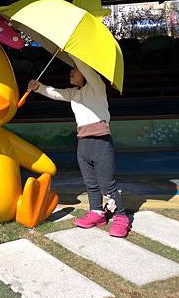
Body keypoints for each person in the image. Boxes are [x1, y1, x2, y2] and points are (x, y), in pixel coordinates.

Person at [27, 57, 130, 237]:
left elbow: (88, 69)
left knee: (107, 185)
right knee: (91, 184)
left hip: (101, 143)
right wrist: (39, 87)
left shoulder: (96, 86)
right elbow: (56, 93)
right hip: (83, 144)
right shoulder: (74, 93)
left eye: (75, 69)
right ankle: (97, 212)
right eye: (72, 69)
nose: (71, 71)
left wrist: (75, 55)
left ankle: (121, 217)